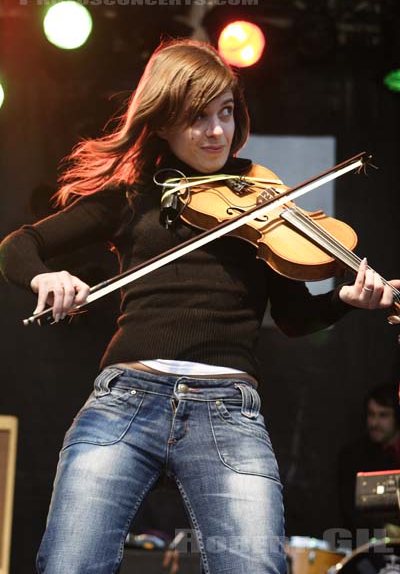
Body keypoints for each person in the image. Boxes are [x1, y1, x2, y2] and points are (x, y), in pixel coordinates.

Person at [0, 38, 398, 574]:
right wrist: (47, 276)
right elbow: (19, 245)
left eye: (226, 113)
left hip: (227, 407)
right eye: (197, 117)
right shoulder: (136, 193)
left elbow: (293, 316)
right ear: (162, 121)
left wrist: (344, 301)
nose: (217, 132)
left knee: (255, 566)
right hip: (126, 398)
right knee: (71, 563)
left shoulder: (260, 194)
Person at [338, 383, 400, 541]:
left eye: (383, 415)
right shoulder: (353, 456)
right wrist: (384, 530)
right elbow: (350, 511)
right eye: (371, 414)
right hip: (368, 548)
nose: (374, 423)